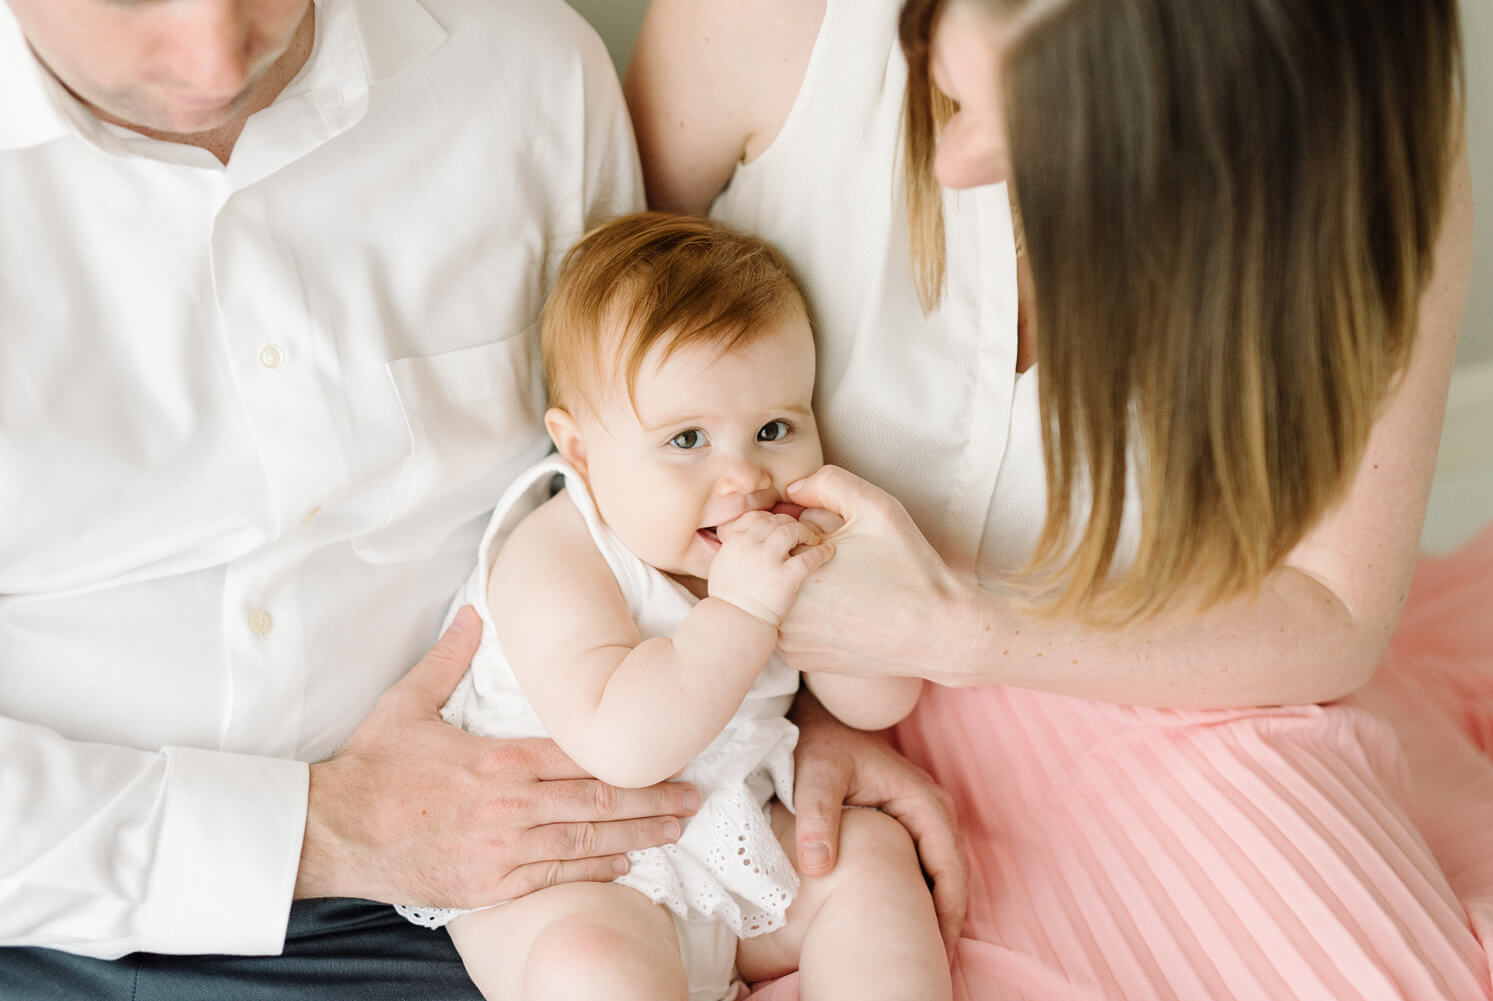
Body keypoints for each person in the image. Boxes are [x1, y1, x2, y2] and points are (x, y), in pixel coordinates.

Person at [0, 1, 965, 997]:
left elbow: (641, 392)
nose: (212, 53)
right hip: (60, 913)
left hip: (523, 844)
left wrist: (815, 700)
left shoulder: (526, 76)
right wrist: (315, 828)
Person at [626, 0, 1493, 999]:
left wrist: (960, 634)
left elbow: (1332, 618)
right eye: (958, 89)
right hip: (764, 691)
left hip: (1168, 678)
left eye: (1056, 137)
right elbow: (602, 407)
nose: (956, 168)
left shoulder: (1367, 160)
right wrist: (789, 697)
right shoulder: (765, 26)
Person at [394, 211, 949, 1001]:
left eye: (773, 427)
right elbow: (623, 744)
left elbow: (879, 701)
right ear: (580, 448)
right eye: (688, 440)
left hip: (733, 845)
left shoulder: (767, 554)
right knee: (590, 967)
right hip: (576, 878)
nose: (745, 478)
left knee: (870, 857)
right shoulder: (558, 551)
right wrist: (745, 611)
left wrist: (835, 587)